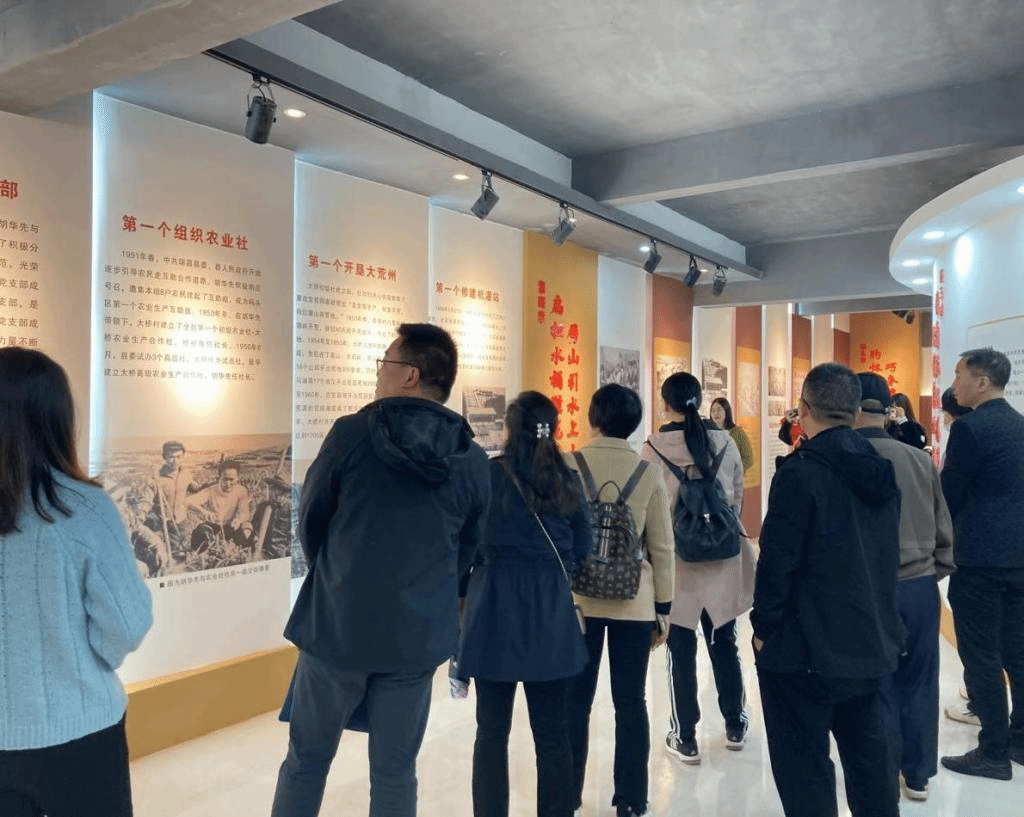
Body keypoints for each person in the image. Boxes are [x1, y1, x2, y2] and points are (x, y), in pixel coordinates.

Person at [271, 323, 491, 817]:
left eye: (384, 362)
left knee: (306, 762)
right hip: (416, 638)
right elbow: (467, 551)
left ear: (409, 374)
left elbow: (312, 519)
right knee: (395, 773)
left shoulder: (352, 435)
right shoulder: (473, 461)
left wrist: (337, 574)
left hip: (337, 627)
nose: (378, 373)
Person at [0, 347, 153, 817]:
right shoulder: (83, 508)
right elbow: (127, 622)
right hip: (81, 728)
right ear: (57, 417)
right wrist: (83, 660)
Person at [752, 362, 903, 817]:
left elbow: (777, 564)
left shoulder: (799, 474)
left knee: (804, 771)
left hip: (804, 650)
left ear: (803, 409)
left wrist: (763, 629)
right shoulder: (880, 469)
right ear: (856, 413)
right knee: (869, 760)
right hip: (867, 639)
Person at [458, 391, 593, 817]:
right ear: (553, 429)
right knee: (552, 734)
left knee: (490, 732)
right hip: (549, 608)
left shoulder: (489, 474)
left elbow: (465, 542)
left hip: (493, 606)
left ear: (510, 429)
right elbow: (583, 545)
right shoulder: (567, 479)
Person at [566, 384, 674, 817]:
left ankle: (567, 794)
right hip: (635, 601)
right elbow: (662, 547)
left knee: (575, 701)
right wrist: (663, 609)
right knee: (631, 702)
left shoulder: (570, 464)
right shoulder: (648, 472)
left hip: (579, 603)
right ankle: (631, 799)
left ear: (593, 418)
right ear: (632, 424)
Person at [643, 373, 755, 765]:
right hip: (723, 561)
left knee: (680, 650)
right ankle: (735, 725)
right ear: (700, 399)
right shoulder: (725, 442)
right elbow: (736, 499)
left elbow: (649, 514)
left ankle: (685, 737)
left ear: (665, 404)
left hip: (677, 566)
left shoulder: (653, 448)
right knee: (725, 645)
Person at [854, 372, 955, 802]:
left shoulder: (843, 459)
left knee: (875, 682)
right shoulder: (918, 460)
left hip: (865, 591)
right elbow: (944, 533)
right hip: (919, 587)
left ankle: (882, 770)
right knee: (920, 680)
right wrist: (928, 571)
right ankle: (917, 775)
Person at [940, 348, 1024, 781]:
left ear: (982, 382)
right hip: (1018, 559)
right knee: (1017, 651)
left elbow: (949, 495)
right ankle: (1020, 740)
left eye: (959, 375)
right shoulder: (1020, 425)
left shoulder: (969, 429)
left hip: (979, 561)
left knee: (981, 656)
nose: (955, 384)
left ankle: (993, 751)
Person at [187, 460, 254, 556]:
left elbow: (245, 513)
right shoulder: (211, 490)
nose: (228, 483)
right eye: (225, 479)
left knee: (247, 528)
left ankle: (244, 556)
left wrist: (238, 520)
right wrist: (204, 512)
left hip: (231, 526)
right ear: (219, 477)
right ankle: (202, 556)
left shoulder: (241, 491)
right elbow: (188, 501)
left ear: (237, 478)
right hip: (213, 526)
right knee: (201, 532)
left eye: (231, 480)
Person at [709, 396, 754, 475]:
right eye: (713, 411)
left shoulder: (738, 433)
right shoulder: (708, 433)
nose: (715, 413)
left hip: (733, 478)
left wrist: (734, 471)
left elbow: (748, 459)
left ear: (726, 411)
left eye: (719, 410)